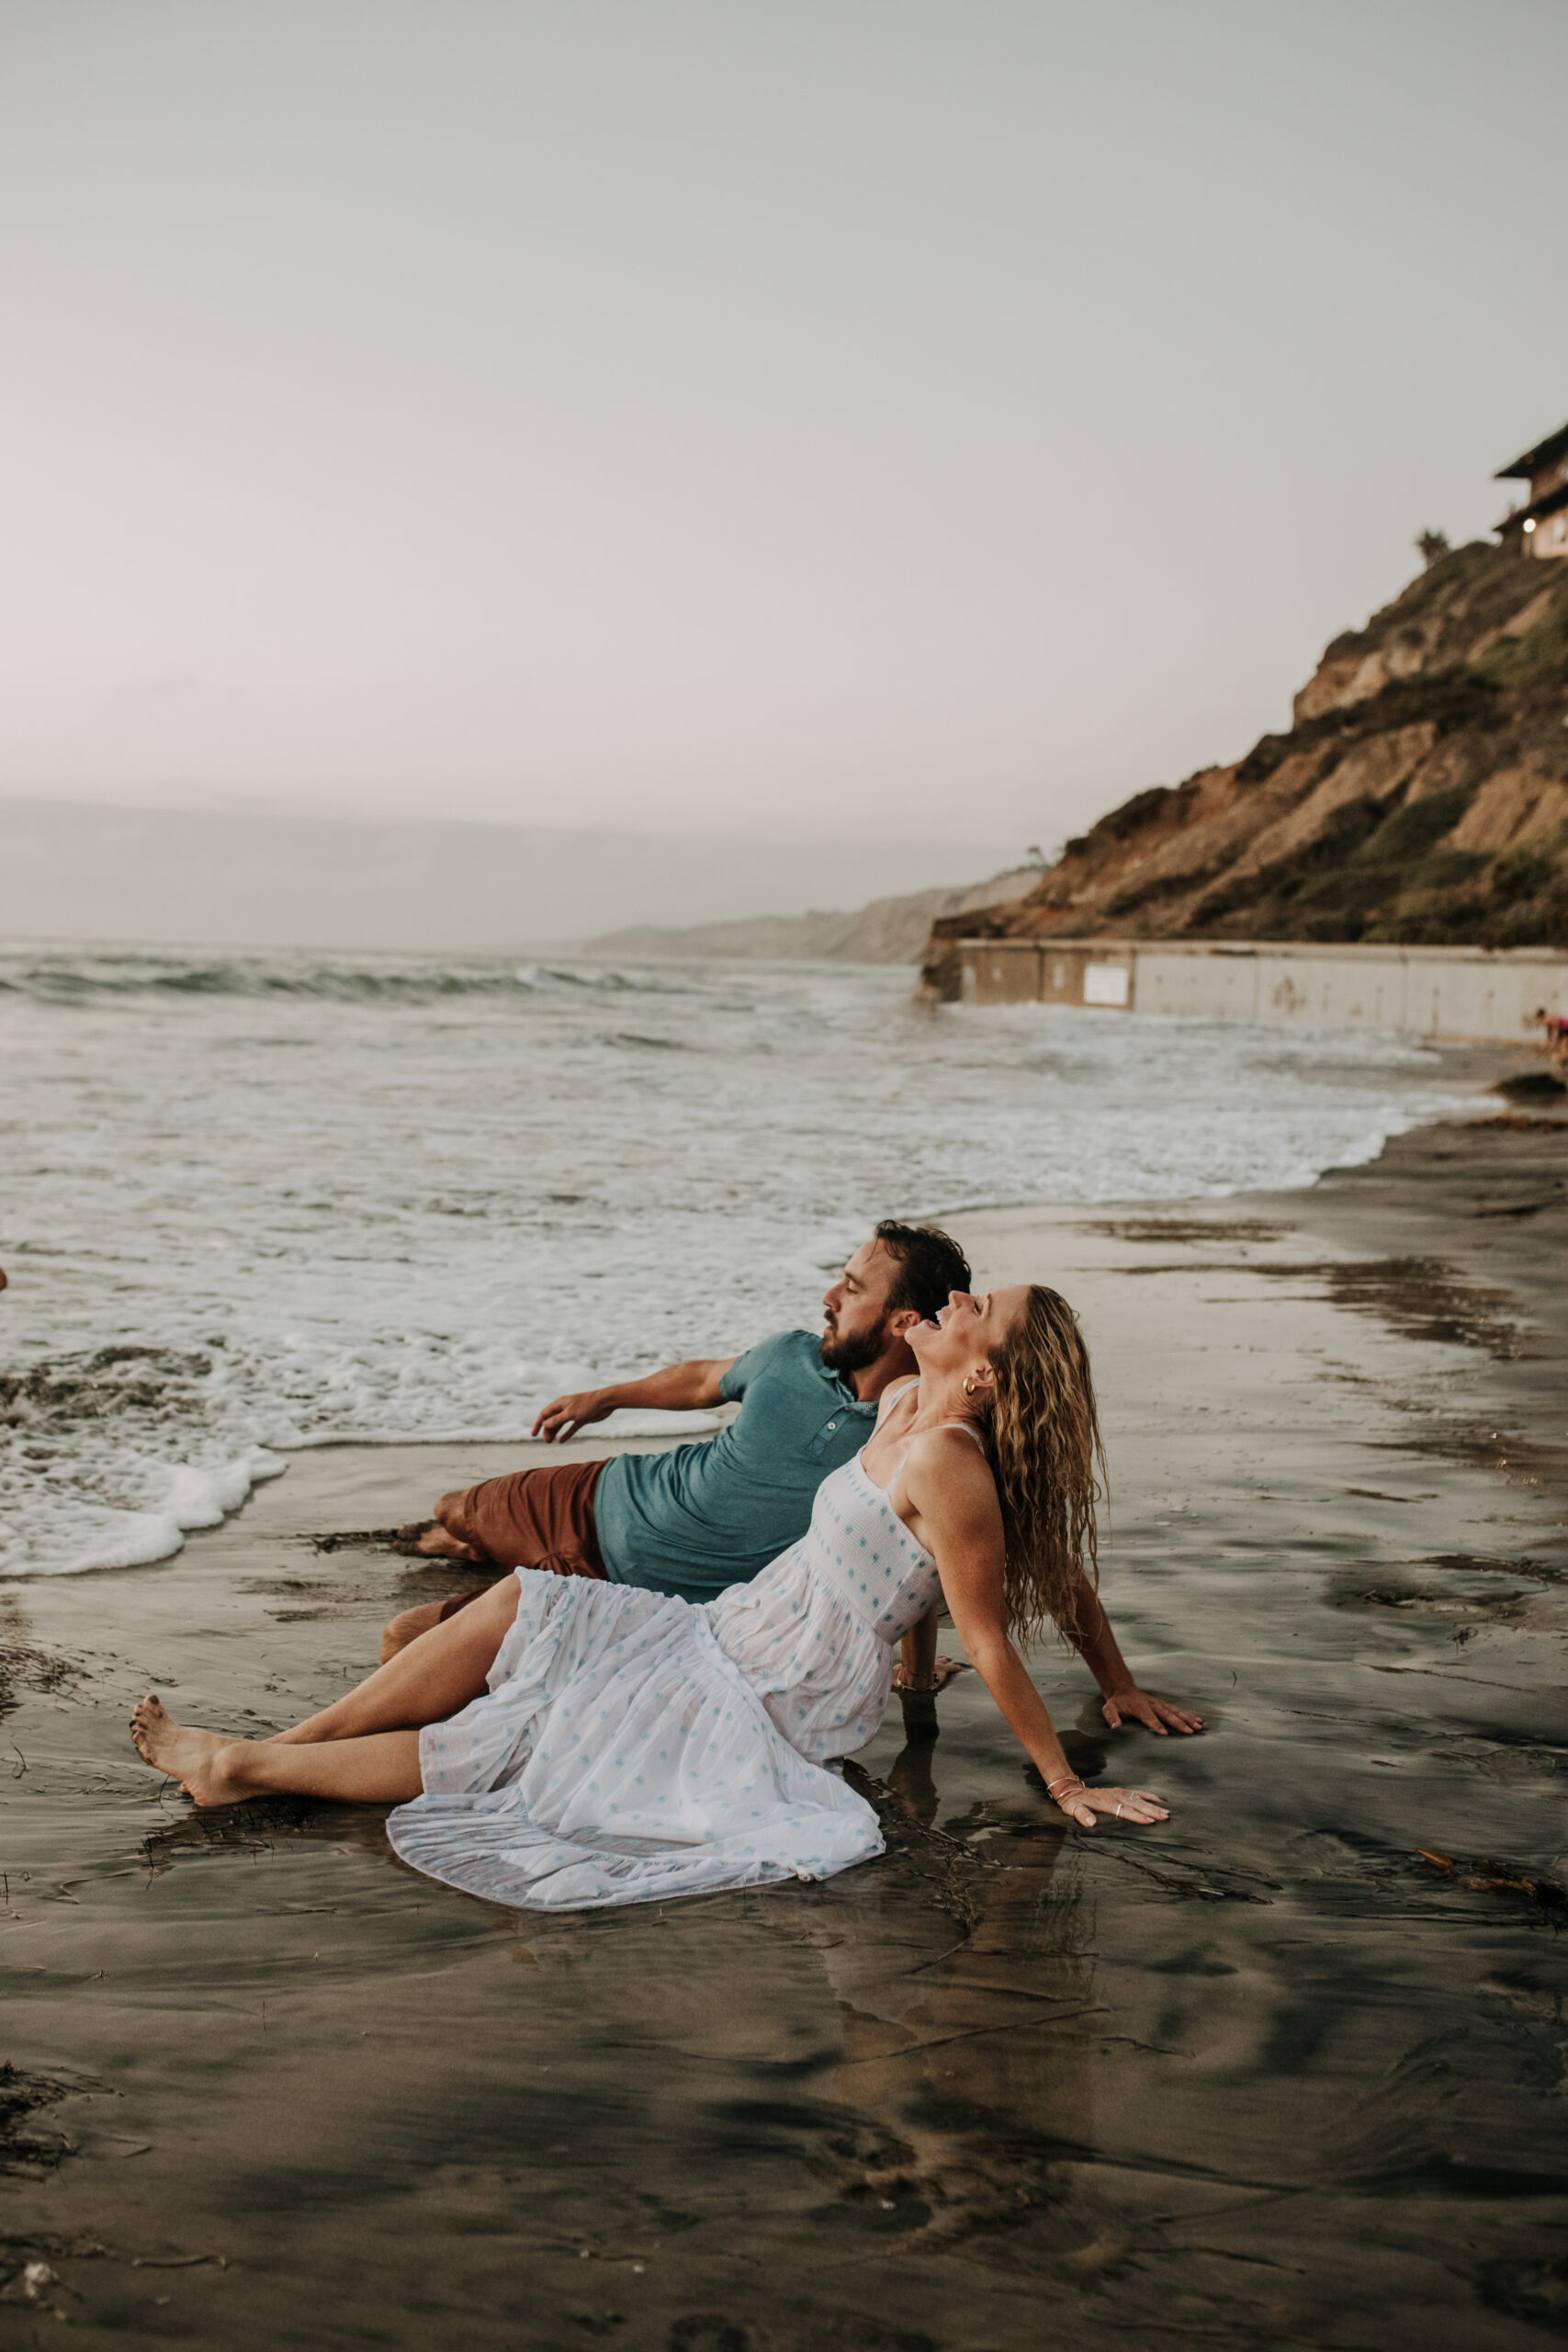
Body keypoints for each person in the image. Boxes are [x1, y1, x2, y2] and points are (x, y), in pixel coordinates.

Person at [130, 1283, 1179, 1913]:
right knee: (524, 1606)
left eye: (978, 1308)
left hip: (783, 1683)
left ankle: (245, 1764)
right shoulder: (904, 1399)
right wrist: (914, 1681)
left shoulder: (955, 1458)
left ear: (990, 1375)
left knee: (537, 1735)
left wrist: (1061, 1781)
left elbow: (988, 1627)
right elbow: (917, 1582)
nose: (954, 1299)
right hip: (737, 1624)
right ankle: (272, 1751)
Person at [381, 1221, 1200, 1742]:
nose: (828, 1297)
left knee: (409, 1641)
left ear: (903, 1320)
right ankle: (459, 1538)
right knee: (454, 1511)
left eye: (852, 1287)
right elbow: (705, 1379)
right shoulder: (790, 1359)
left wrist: (1116, 1685)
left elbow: (1028, 1561)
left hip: (660, 1607)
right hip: (602, 1497)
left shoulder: (928, 1449)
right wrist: (605, 1397)